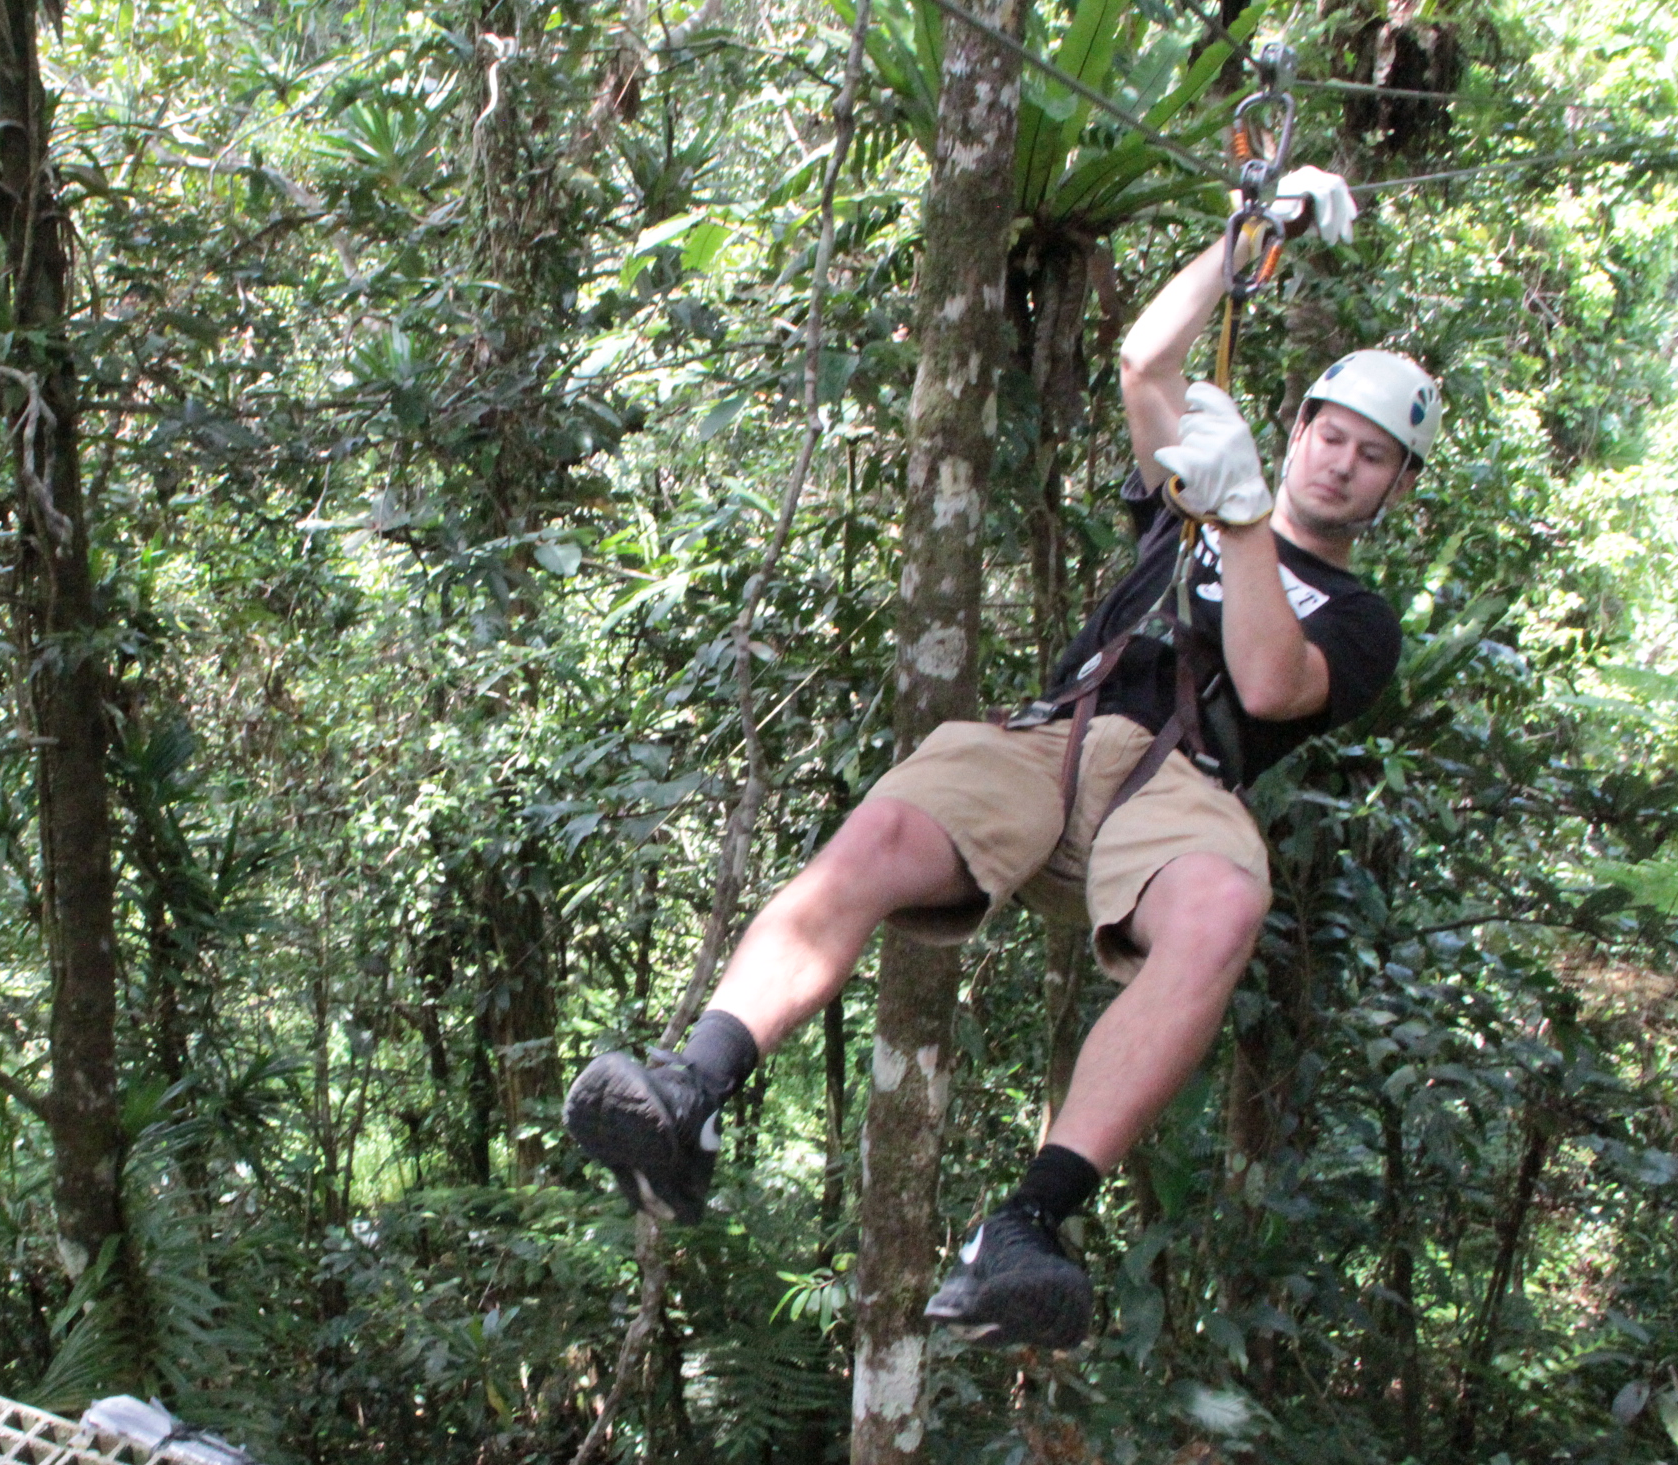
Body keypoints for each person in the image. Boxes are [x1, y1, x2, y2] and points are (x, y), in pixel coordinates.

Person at [564, 167, 1440, 1349]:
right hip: (1057, 737)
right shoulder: (1192, 489)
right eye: (1329, 435)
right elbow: (1145, 362)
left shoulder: (1358, 612)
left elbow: (1279, 686)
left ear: (1397, 488)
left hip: (1183, 790)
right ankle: (694, 1090)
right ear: (1296, 431)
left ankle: (1027, 1227)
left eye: (1371, 457)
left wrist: (1241, 520)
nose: (1339, 463)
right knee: (884, 827)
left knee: (1227, 909)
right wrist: (1248, 237)